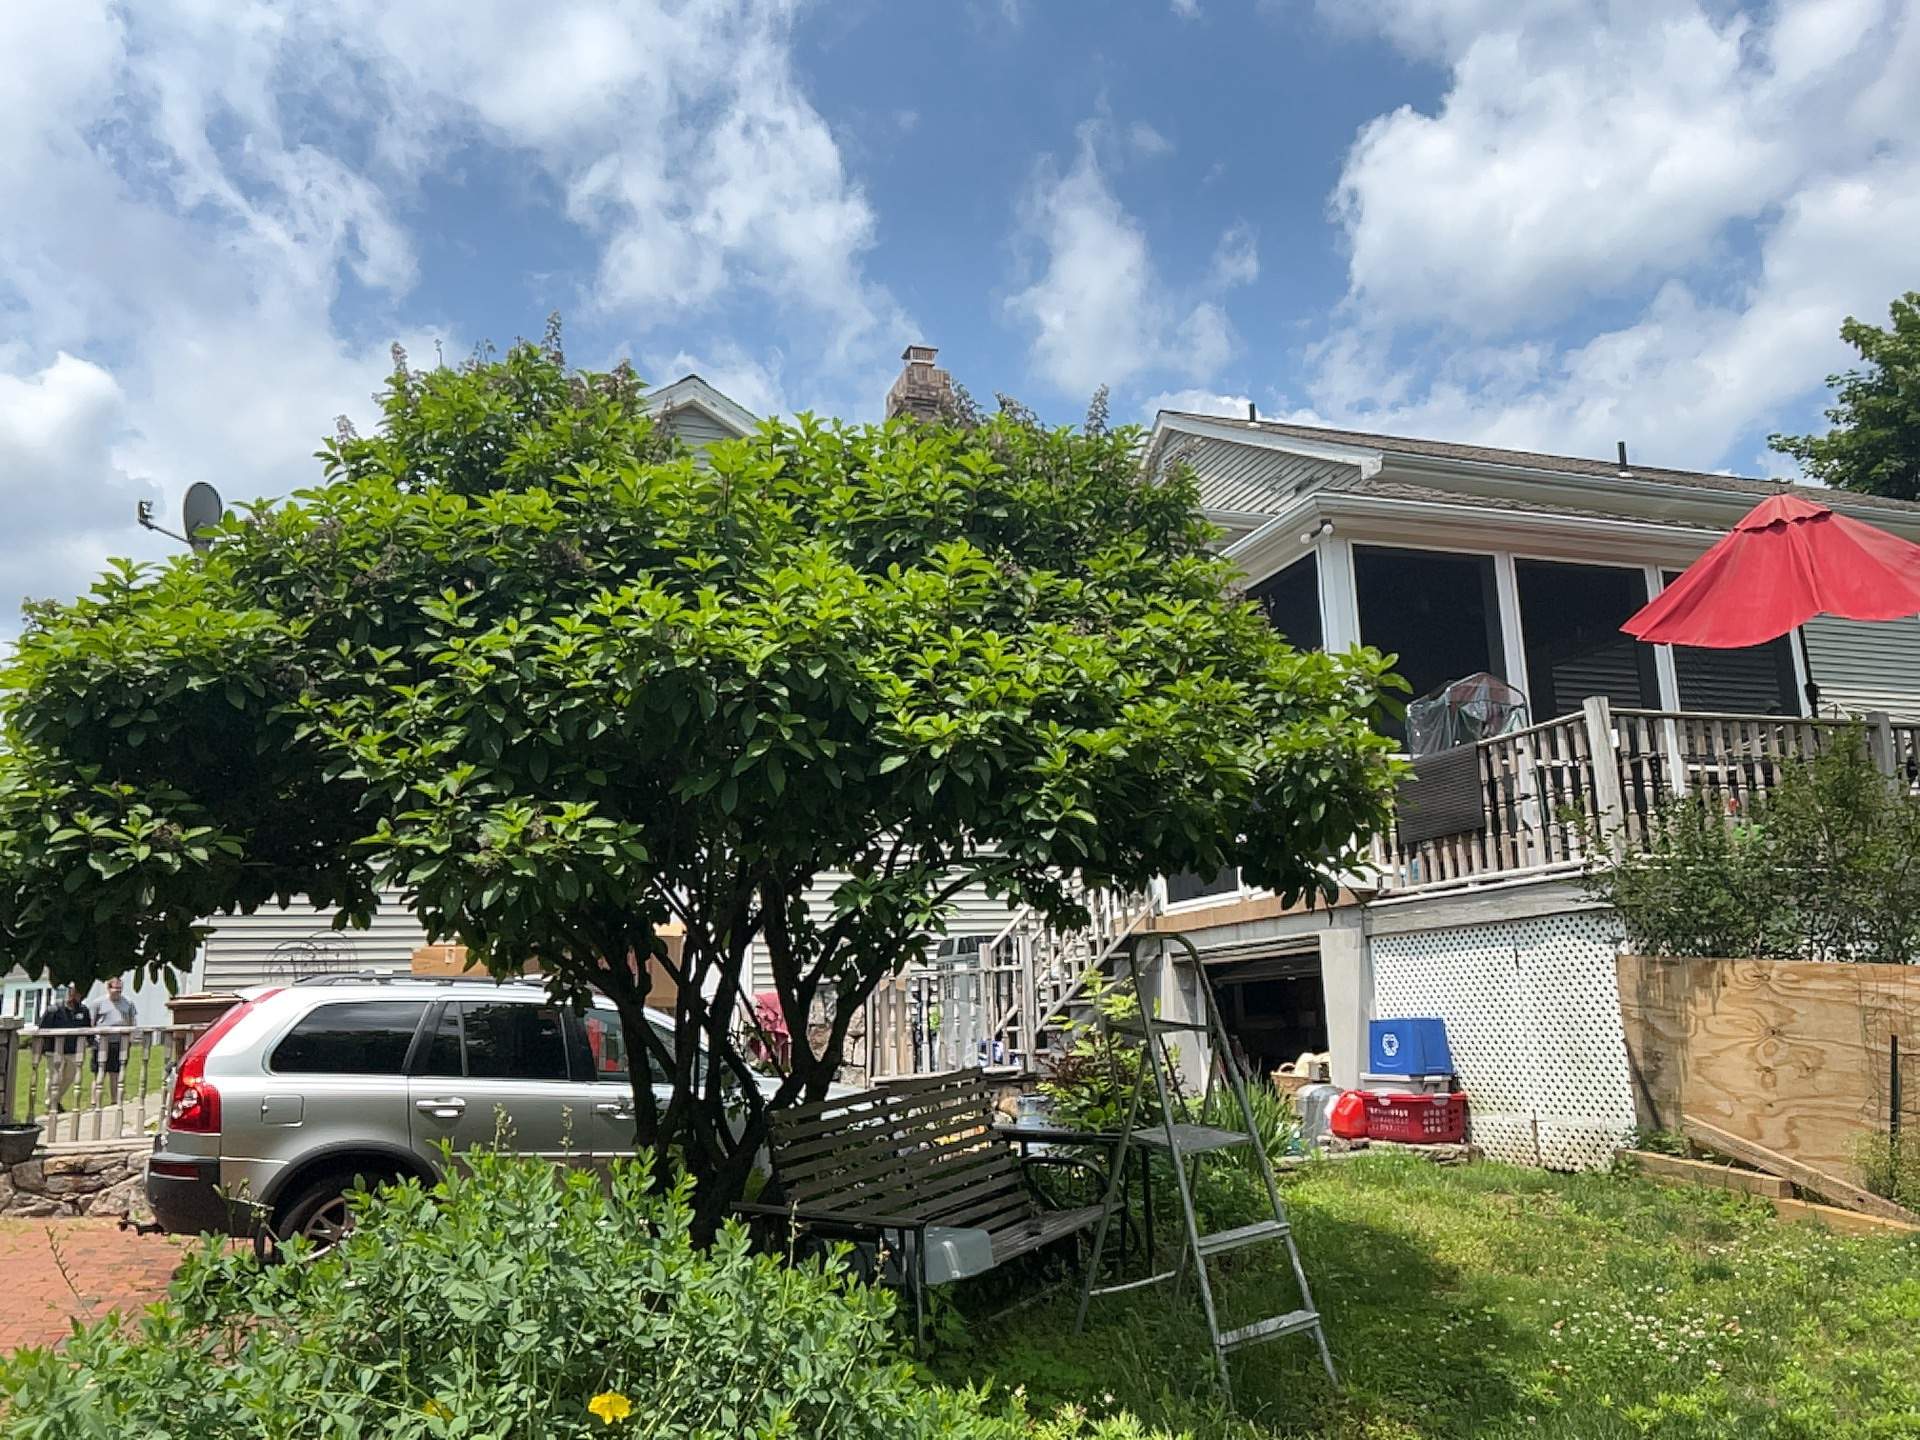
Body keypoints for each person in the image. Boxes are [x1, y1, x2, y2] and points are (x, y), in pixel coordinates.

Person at [38, 985, 91, 1114]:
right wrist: (41, 1050)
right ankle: (50, 1104)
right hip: (54, 1050)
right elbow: (42, 1030)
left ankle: (55, 1100)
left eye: (78, 993)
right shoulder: (53, 1009)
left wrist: (91, 1042)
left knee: (69, 1077)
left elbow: (88, 1029)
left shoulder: (83, 1010)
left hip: (73, 1050)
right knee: (53, 1077)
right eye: (73, 992)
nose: (76, 995)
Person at [91, 977, 138, 1105]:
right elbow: (92, 1022)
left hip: (120, 1042)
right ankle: (95, 1101)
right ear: (108, 988)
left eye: (120, 989)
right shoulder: (98, 1003)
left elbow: (132, 1021)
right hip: (101, 1042)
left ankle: (115, 1100)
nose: (118, 992)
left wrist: (131, 1038)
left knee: (116, 1072)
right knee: (99, 1071)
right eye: (115, 989)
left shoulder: (128, 1003)